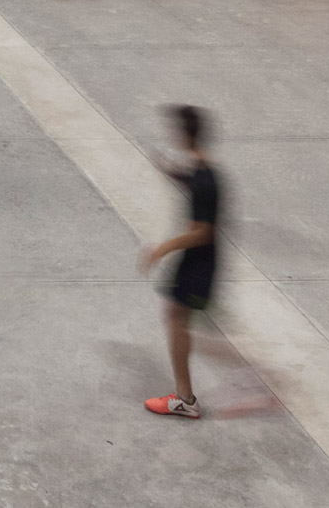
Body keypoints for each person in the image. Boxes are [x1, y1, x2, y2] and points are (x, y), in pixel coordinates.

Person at [141, 104, 221, 420]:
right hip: (196, 261)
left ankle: (185, 399)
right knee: (176, 318)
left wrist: (161, 249)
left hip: (198, 264)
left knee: (177, 321)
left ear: (187, 135)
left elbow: (202, 232)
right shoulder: (205, 171)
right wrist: (170, 169)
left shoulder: (204, 182)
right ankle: (184, 395)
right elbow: (194, 183)